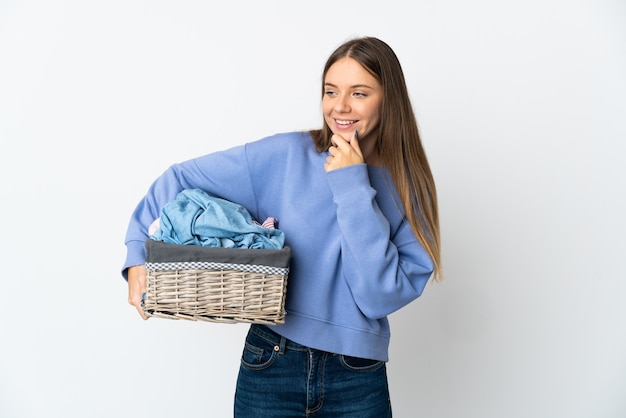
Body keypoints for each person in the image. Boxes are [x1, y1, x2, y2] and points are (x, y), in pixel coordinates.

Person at [122, 36, 442, 417]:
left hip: (357, 375)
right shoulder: (287, 155)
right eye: (330, 91)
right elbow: (181, 177)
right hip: (271, 361)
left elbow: (377, 298)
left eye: (359, 93)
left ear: (389, 100)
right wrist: (137, 254)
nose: (340, 106)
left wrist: (353, 184)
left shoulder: (409, 185)